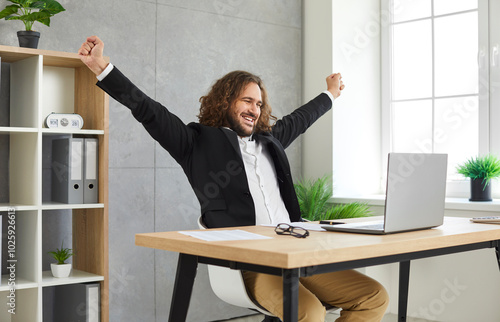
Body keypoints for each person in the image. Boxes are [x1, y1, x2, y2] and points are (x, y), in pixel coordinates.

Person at [78, 35, 389, 322]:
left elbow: (301, 118)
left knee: (373, 296)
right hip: (251, 265)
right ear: (225, 101)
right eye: (246, 101)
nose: (254, 109)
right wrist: (103, 68)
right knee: (307, 310)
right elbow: (148, 110)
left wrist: (330, 94)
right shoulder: (196, 143)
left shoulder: (271, 140)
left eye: (258, 103)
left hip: (298, 252)